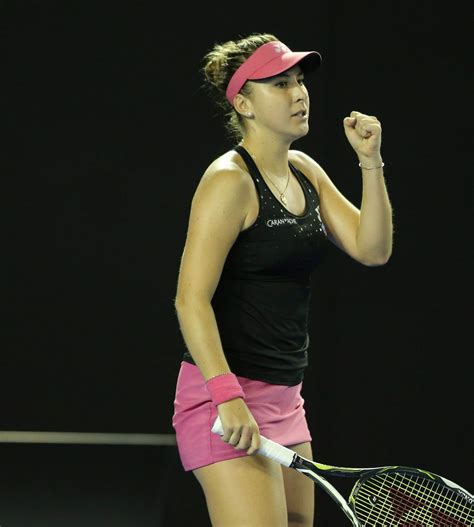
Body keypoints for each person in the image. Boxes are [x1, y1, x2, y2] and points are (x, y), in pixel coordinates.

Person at [172, 32, 393, 527]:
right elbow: (190, 300)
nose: (298, 93)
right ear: (245, 103)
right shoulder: (227, 180)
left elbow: (372, 248)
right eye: (279, 83)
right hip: (224, 400)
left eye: (298, 81)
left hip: (285, 401)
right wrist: (227, 397)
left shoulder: (305, 171)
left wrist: (369, 161)